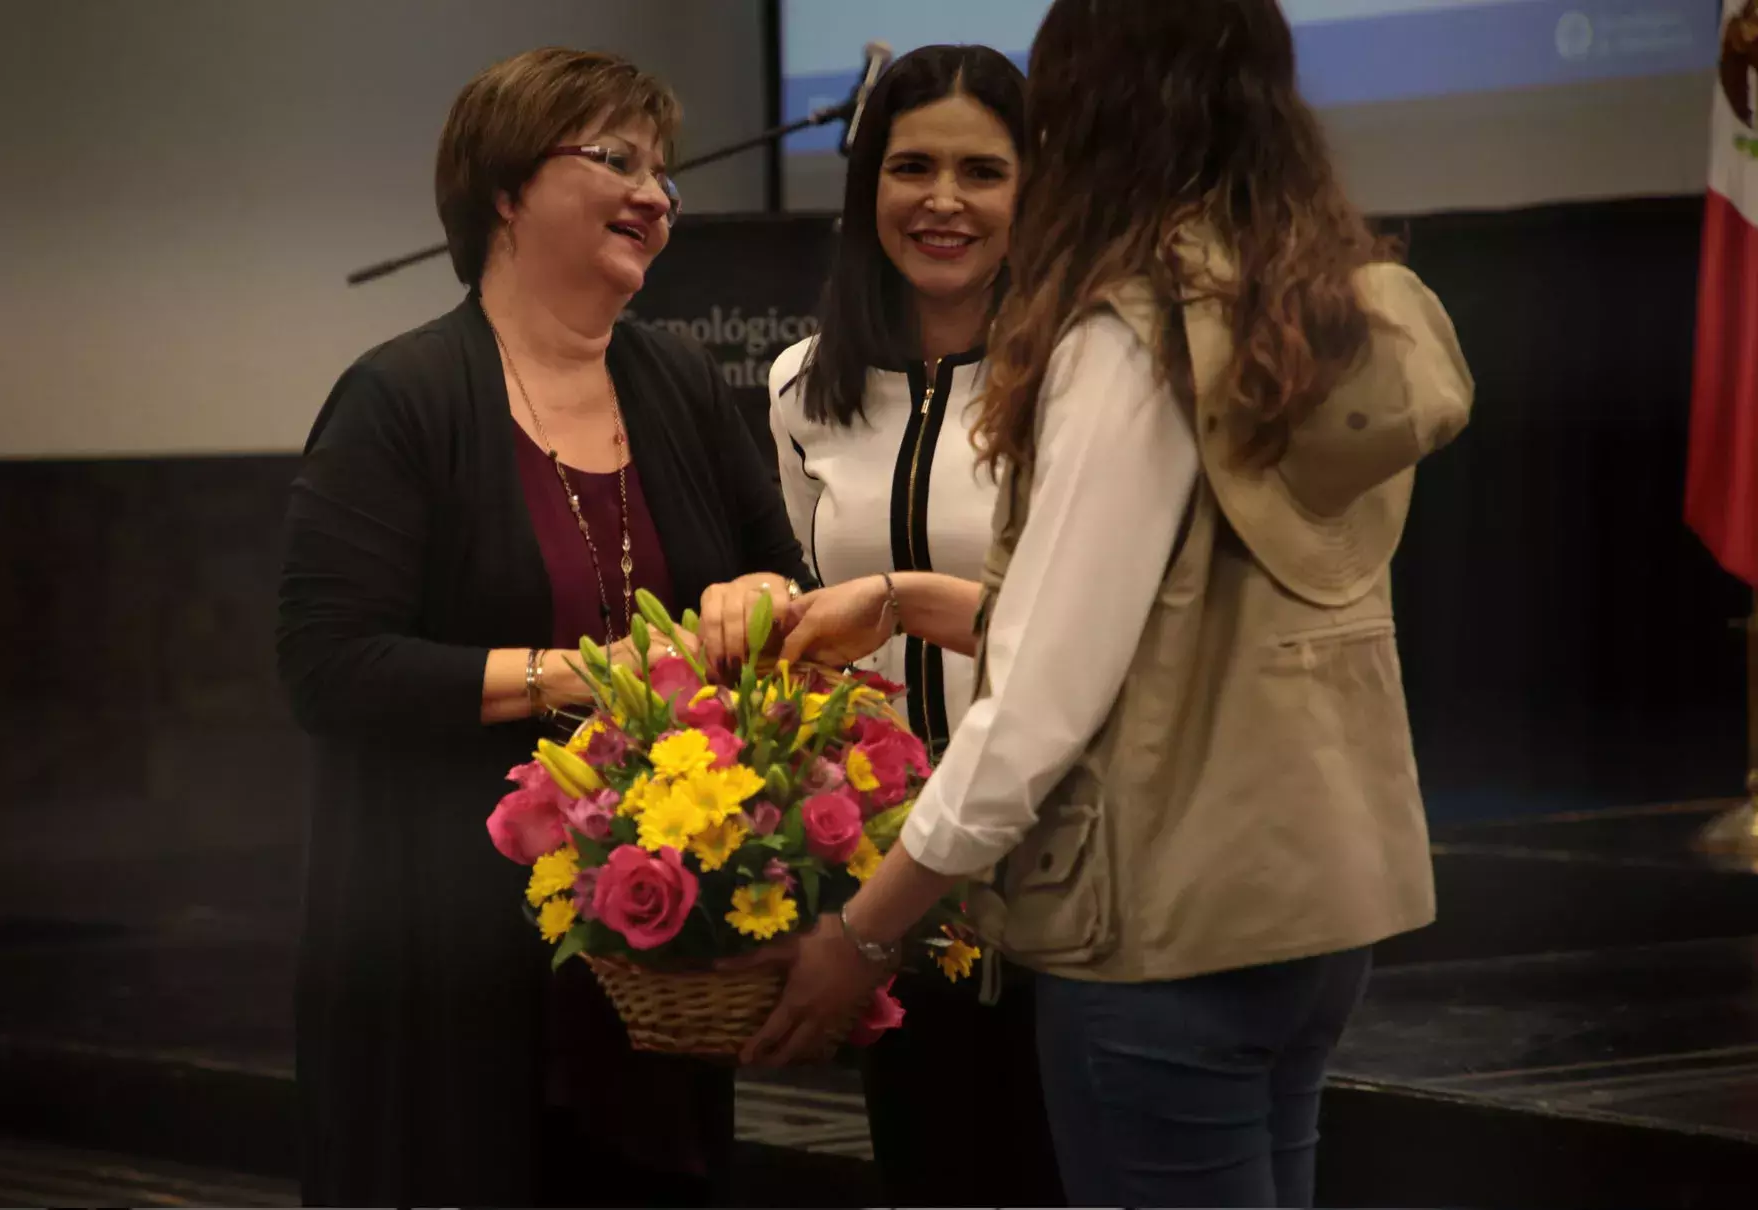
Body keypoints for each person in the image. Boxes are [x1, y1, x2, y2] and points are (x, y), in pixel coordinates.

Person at [742, 2, 1474, 1207]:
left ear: (1091, 110)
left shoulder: (1129, 337)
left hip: (1161, 932)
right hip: (1316, 911)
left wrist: (864, 934)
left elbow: (1037, 706)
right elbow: (1176, 616)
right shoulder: (1300, 308)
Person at [275, 47, 810, 1208]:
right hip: (442, 955)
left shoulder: (677, 383)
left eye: (664, 172)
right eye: (617, 159)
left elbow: (784, 580)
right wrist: (594, 678)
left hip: (643, 951)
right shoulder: (400, 397)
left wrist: (761, 603)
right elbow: (331, 668)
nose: (656, 195)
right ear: (506, 192)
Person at [764, 44, 1064, 1209]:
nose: (943, 201)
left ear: (1035, 189)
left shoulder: (1078, 376)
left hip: (1062, 876)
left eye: (983, 171)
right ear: (866, 190)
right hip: (889, 888)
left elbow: (1099, 639)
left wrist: (907, 600)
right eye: (912, 167)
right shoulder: (800, 384)